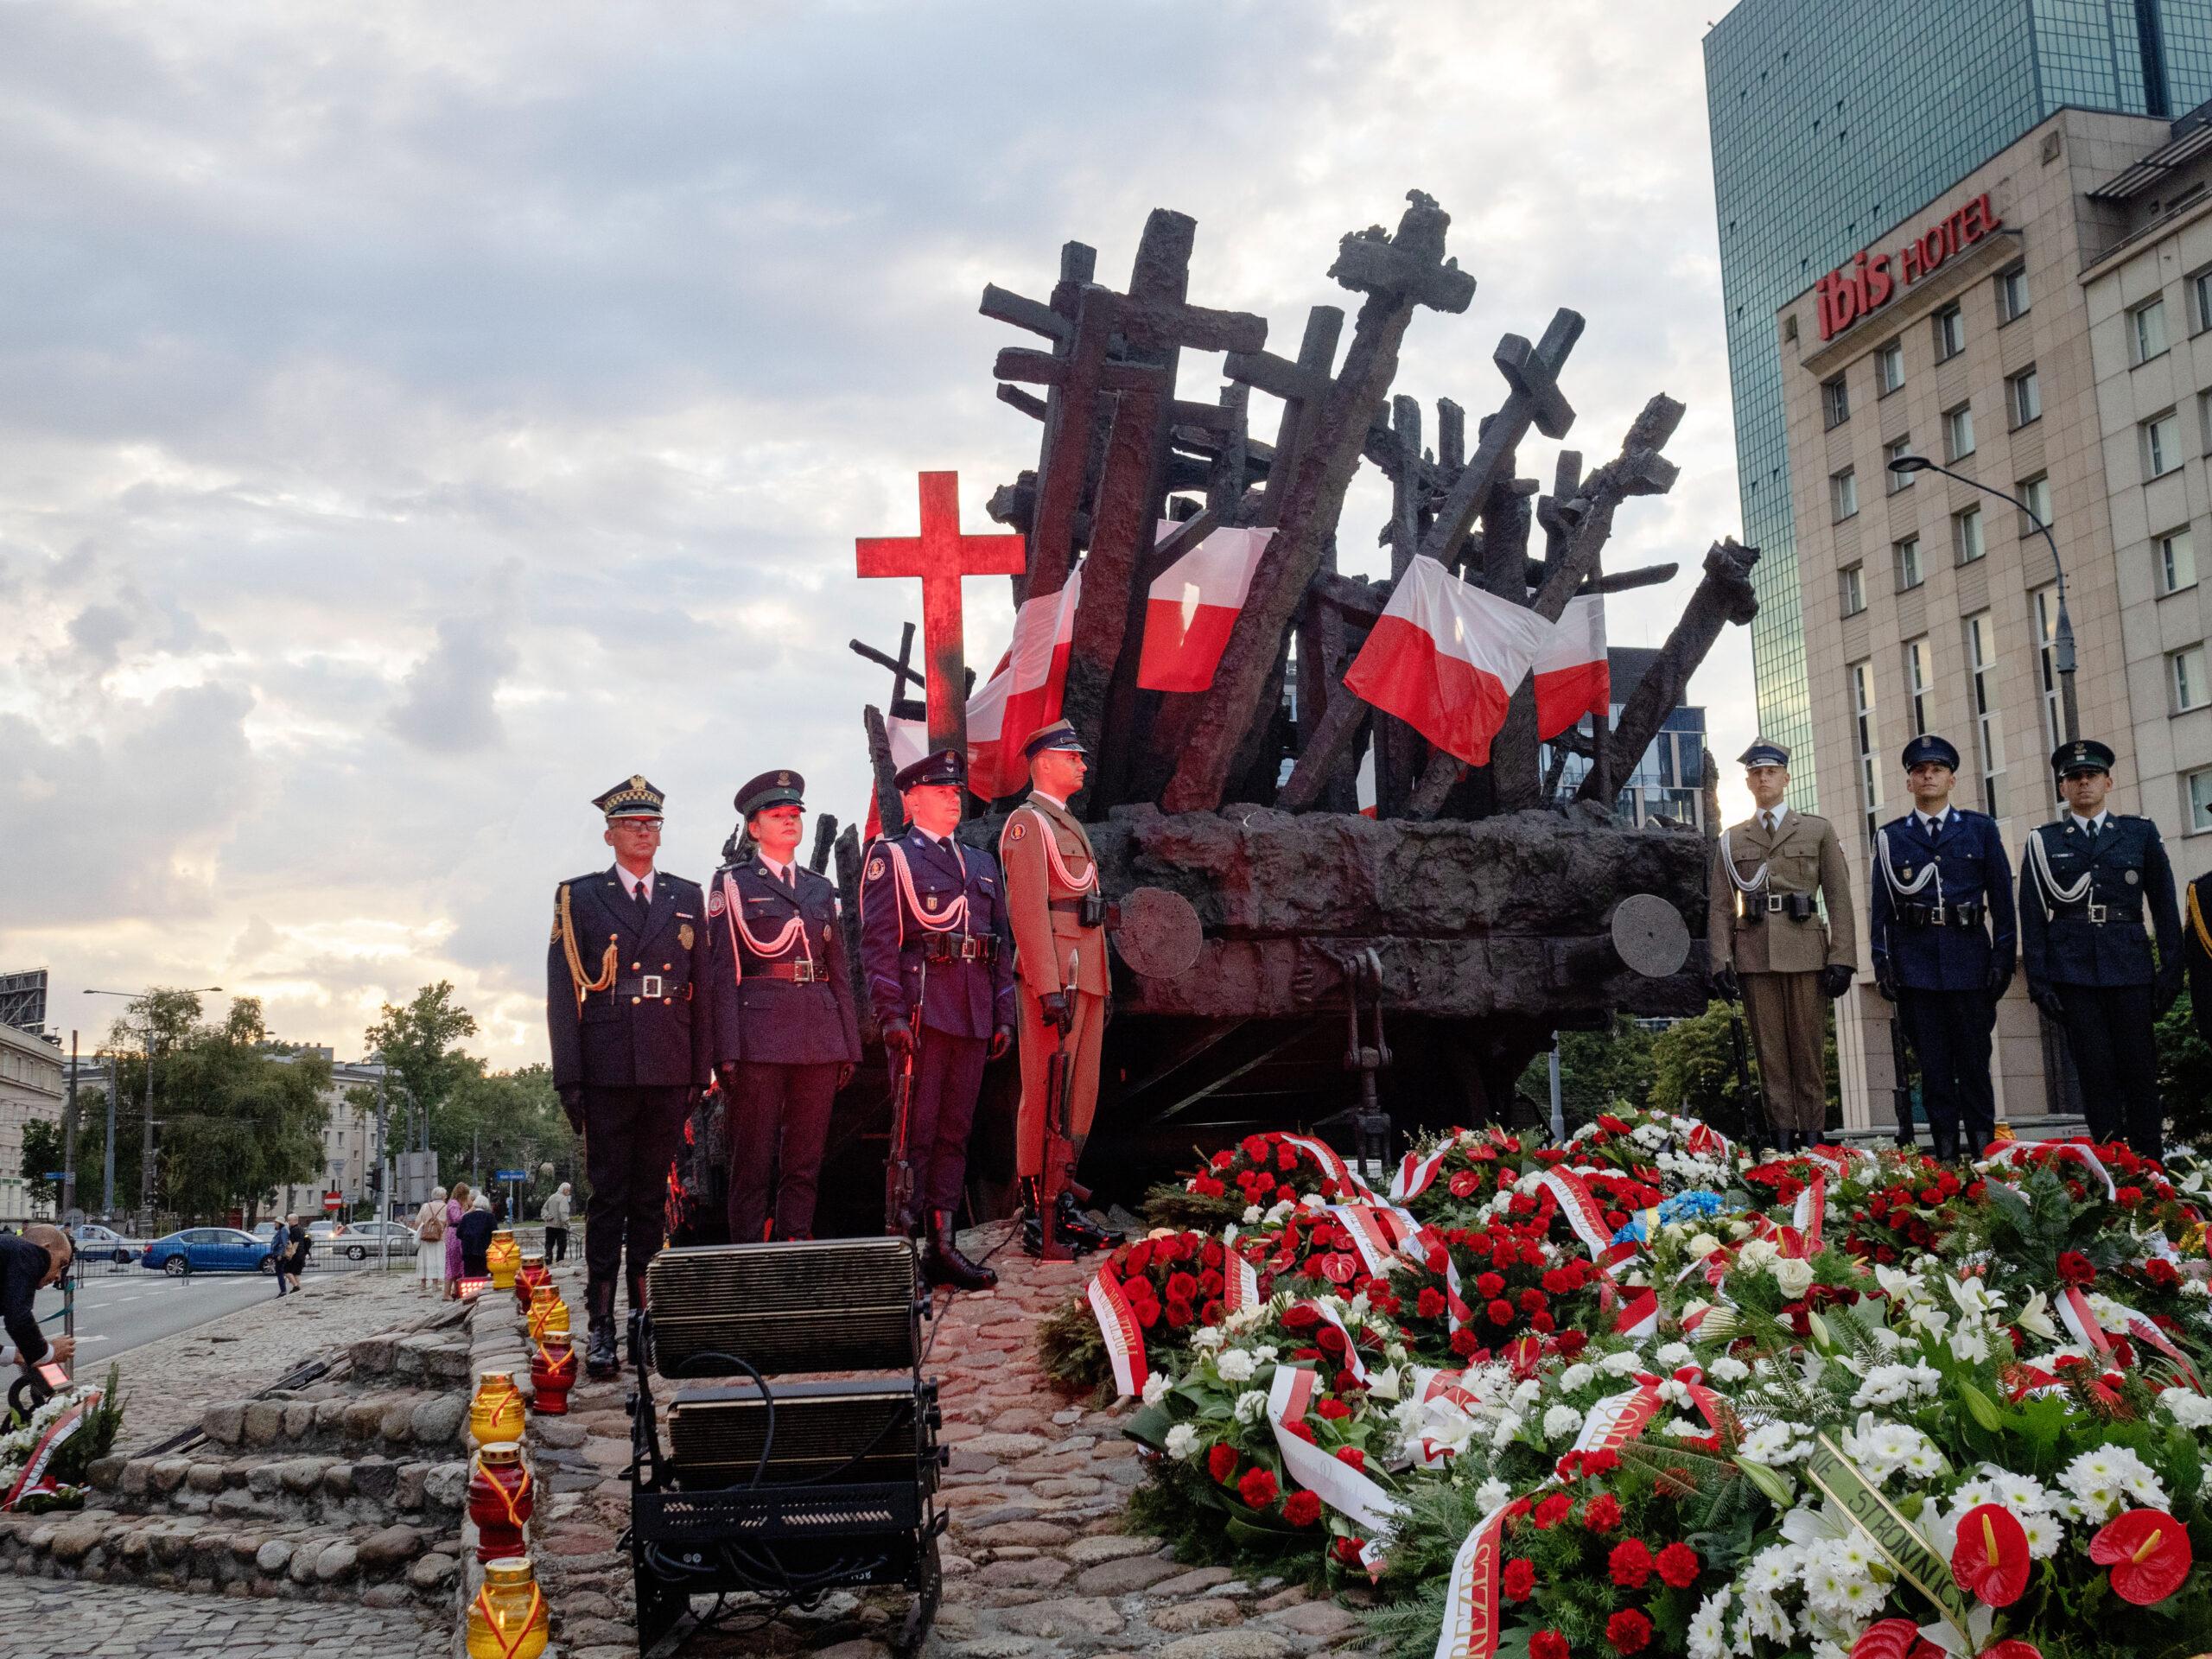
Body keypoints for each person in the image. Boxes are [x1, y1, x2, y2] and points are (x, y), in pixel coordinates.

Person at [545, 775, 713, 1375]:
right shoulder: (580, 898)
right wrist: (570, 1077)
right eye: (634, 824)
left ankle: (644, 1318)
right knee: (607, 1201)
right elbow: (564, 995)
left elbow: (705, 992)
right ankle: (600, 1325)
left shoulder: (687, 896)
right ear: (611, 833)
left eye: (653, 824)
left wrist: (701, 1069)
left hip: (668, 1061)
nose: (645, 832)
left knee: (650, 1202)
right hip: (609, 1063)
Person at [859, 747, 1015, 1291]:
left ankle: (943, 1247)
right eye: (943, 791)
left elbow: (999, 946)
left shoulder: (980, 863)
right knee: (914, 1136)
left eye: (956, 791)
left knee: (955, 1132)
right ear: (912, 799)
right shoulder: (894, 858)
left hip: (971, 1012)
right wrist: (890, 1015)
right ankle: (905, 1254)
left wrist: (1004, 1014)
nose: (954, 798)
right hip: (923, 1014)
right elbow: (879, 946)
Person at [706, 768, 861, 1244]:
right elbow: (721, 973)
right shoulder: (731, 883)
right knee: (751, 1160)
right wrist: (725, 1050)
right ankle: (748, 1259)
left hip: (818, 1033)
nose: (790, 822)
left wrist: (850, 1045)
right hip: (759, 1036)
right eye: (779, 815)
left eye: (795, 814)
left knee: (805, 1159)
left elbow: (839, 971)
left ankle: (795, 1246)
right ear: (754, 828)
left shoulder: (817, 886)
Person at [2019, 739, 2182, 1157]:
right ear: (2062, 789)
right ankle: (2113, 1166)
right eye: (2074, 777)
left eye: (2091, 775)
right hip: (2073, 973)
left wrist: (2171, 970)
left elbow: (2164, 905)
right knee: (2095, 1075)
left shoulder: (2138, 833)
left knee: (2141, 1072)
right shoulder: (2043, 841)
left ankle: (2151, 1168)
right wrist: (2039, 982)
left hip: (2129, 968)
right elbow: (2033, 917)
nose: (2084, 782)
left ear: (2109, 781)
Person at [998, 721, 1119, 1257]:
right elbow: (1027, 911)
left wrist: (1104, 983)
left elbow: (1087, 910)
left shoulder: (1066, 824)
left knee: (1081, 1094)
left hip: (1086, 973)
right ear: (1044, 762)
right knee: (1047, 1094)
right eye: (1073, 757)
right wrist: (1047, 987)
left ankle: (1063, 1202)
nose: (1083, 766)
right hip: (1058, 979)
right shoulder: (1028, 824)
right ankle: (1038, 1211)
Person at [1868, 734, 2017, 1161]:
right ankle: (1947, 1158)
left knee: (1974, 1065)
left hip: (1970, 961)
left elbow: (2003, 902)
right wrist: (1883, 963)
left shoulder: (1980, 829)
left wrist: (2002, 959)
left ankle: (1987, 1156)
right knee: (1933, 1071)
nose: (1928, 775)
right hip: (1916, 967)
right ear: (1909, 782)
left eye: (1936, 769)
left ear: (1952, 779)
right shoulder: (1891, 837)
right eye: (1919, 770)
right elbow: (1880, 906)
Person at [1707, 740, 1856, 1149]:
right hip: (1755, 953)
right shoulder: (1732, 839)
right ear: (1748, 782)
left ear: (1786, 778)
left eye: (1771, 771)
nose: (1763, 778)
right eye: (1756, 773)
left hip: (1806, 950)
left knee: (1807, 1051)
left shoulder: (1816, 829)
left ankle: (1813, 1135)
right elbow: (1720, 905)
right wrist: (1720, 961)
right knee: (1769, 1053)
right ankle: (1781, 1140)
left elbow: (1839, 897)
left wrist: (1842, 957)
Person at [2, 1225, 73, 1374]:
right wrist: (48, 1354)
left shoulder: (9, 1256)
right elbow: (18, 1319)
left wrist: (15, 1355)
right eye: (61, 1264)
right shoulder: (29, 1252)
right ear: (46, 1249)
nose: (58, 1276)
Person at [416, 1187, 448, 1293]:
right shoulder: (446, 1207)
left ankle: (423, 1284)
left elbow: (417, 1221)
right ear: (443, 1196)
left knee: (424, 1259)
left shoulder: (425, 1206)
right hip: (439, 1238)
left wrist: (425, 1226)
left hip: (426, 1238)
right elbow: (448, 1223)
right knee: (437, 1259)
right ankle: (435, 1284)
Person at [457, 1193, 496, 1281]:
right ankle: (480, 1292)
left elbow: (458, 1233)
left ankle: (468, 1292)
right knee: (481, 1274)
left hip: (468, 1251)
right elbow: (495, 1234)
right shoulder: (490, 1217)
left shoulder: (466, 1217)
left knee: (469, 1276)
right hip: (484, 1251)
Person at [444, 1181, 471, 1298]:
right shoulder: (453, 1204)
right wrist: (469, 1212)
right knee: (452, 1264)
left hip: (457, 1234)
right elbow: (456, 1218)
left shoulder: (456, 1203)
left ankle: (456, 1291)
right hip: (454, 1235)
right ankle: (446, 1293)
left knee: (458, 1263)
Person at [540, 1182, 572, 1265]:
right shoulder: (563, 1199)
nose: (569, 1191)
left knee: (549, 1245)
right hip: (560, 1227)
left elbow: (544, 1208)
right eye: (568, 1189)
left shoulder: (551, 1197)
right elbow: (563, 1212)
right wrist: (568, 1224)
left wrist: (547, 1216)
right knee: (562, 1246)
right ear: (563, 1189)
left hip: (549, 1226)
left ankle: (548, 1261)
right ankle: (559, 1262)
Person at [283, 1215, 308, 1294]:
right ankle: (299, 1288)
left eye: (289, 1220)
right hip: (301, 1253)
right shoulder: (301, 1228)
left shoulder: (295, 1229)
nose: (288, 1222)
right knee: (296, 1273)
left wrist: (291, 1255)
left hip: (296, 1254)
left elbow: (295, 1243)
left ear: (294, 1220)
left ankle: (296, 1286)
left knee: (287, 1271)